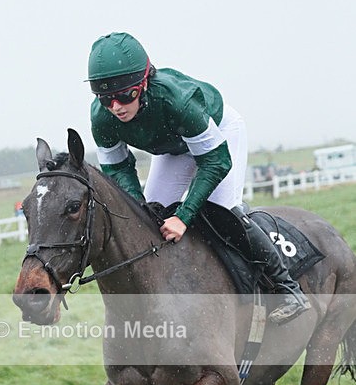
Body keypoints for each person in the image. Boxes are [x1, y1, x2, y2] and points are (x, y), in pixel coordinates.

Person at [87, 32, 310, 324]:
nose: (116, 107)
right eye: (106, 99)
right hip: (172, 149)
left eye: (125, 95)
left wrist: (184, 216)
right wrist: (139, 206)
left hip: (219, 137)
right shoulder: (101, 119)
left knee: (223, 212)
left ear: (143, 83)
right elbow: (118, 170)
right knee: (148, 218)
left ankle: (287, 288)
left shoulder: (175, 99)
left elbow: (216, 161)